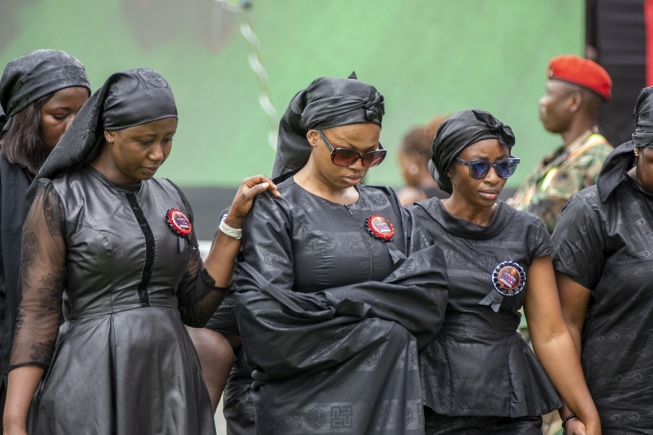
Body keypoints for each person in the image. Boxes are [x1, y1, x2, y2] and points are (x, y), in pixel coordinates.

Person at [2, 68, 278, 435]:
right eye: (145, 140)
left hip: (170, 379)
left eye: (168, 139)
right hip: (90, 381)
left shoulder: (169, 196)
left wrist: (233, 223)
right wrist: (14, 420)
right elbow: (37, 315)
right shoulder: (60, 197)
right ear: (109, 132)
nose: (158, 153)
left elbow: (195, 309)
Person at [203, 73, 449, 435]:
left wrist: (328, 304)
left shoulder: (388, 205)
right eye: (346, 153)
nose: (358, 165)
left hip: (388, 404)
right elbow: (269, 325)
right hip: (302, 411)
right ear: (313, 137)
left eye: (372, 155)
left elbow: (428, 297)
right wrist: (384, 326)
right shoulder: (274, 210)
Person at [411, 109, 601, 434]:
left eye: (504, 166)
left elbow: (551, 333)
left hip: (510, 405)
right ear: (448, 167)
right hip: (433, 401)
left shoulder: (526, 230)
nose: (494, 178)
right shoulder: (413, 224)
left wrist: (580, 414)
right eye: (479, 167)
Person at [553, 86, 653, 434]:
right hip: (617, 417)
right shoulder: (594, 211)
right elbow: (562, 326)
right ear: (638, 148)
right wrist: (572, 415)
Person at [0, 49, 90, 417]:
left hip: (70, 368)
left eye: (82, 115)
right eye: (59, 115)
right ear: (26, 117)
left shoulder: (88, 178)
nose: (73, 127)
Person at [509, 54, 613, 234]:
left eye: (549, 93)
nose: (542, 101)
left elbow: (544, 221)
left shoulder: (597, 159)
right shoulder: (560, 157)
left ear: (574, 102)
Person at [396, 115, 449, 205]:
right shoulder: (454, 195)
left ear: (415, 159)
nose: (402, 174)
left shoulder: (411, 197)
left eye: (402, 164)